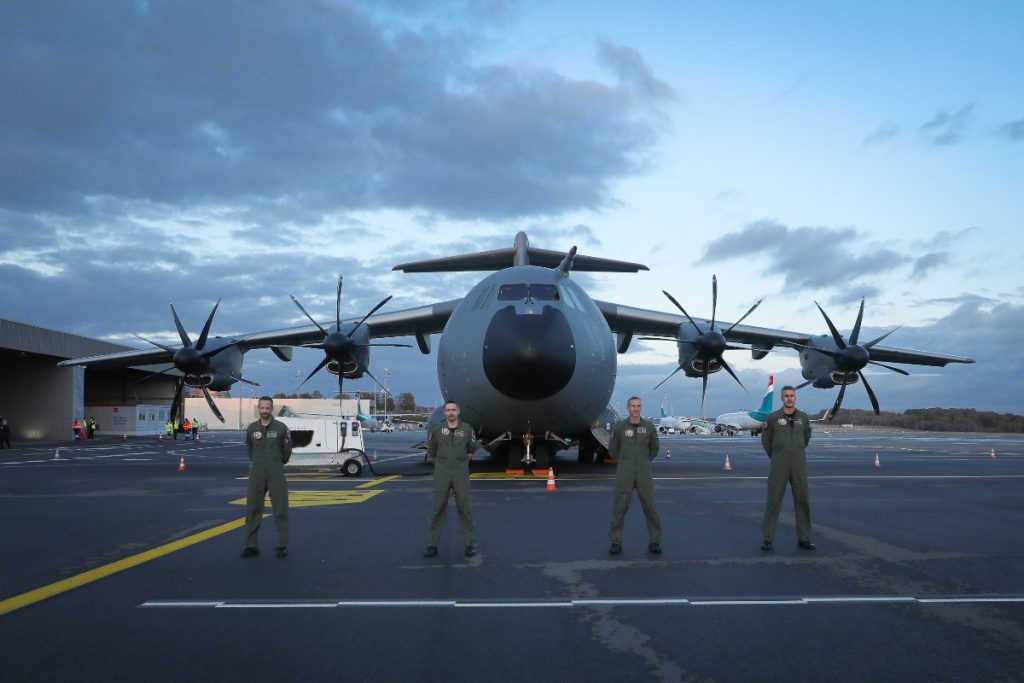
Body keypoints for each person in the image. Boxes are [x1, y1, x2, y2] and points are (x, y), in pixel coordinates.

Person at [760, 385, 814, 551]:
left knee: (802, 500)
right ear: (782, 398)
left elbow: (806, 438)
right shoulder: (773, 418)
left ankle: (804, 539)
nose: (789, 398)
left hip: (798, 463)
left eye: (792, 396)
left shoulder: (803, 418)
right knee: (773, 500)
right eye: (786, 396)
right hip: (779, 463)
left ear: (795, 398)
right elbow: (766, 441)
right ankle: (767, 539)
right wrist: (777, 455)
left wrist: (794, 451)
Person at [607, 396, 663, 555]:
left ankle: (655, 541)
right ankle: (615, 541)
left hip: (644, 472)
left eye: (638, 406)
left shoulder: (649, 427)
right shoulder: (619, 427)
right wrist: (625, 462)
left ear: (641, 408)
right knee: (619, 507)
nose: (636, 408)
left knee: (650, 507)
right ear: (628, 408)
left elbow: (655, 449)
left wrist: (644, 461)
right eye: (633, 406)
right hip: (625, 472)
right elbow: (613, 450)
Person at [423, 400, 478, 558]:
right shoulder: (438, 430)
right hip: (442, 473)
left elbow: (471, 451)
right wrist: (443, 465)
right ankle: (432, 545)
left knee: (464, 508)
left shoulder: (467, 429)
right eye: (448, 410)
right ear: (445, 412)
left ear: (458, 411)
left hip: (461, 472)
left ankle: (469, 544)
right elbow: (432, 451)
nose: (451, 413)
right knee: (437, 509)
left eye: (454, 410)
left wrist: (459, 464)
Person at [241, 396, 293, 558]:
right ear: (258, 408)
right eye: (262, 408)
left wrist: (278, 462)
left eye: (267, 408)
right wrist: (257, 462)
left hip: (275, 471)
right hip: (256, 472)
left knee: (280, 508)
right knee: (253, 509)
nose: (264, 411)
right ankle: (251, 545)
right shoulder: (252, 429)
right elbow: (250, 448)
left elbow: (287, 448)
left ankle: (281, 545)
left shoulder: (281, 428)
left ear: (271, 409)